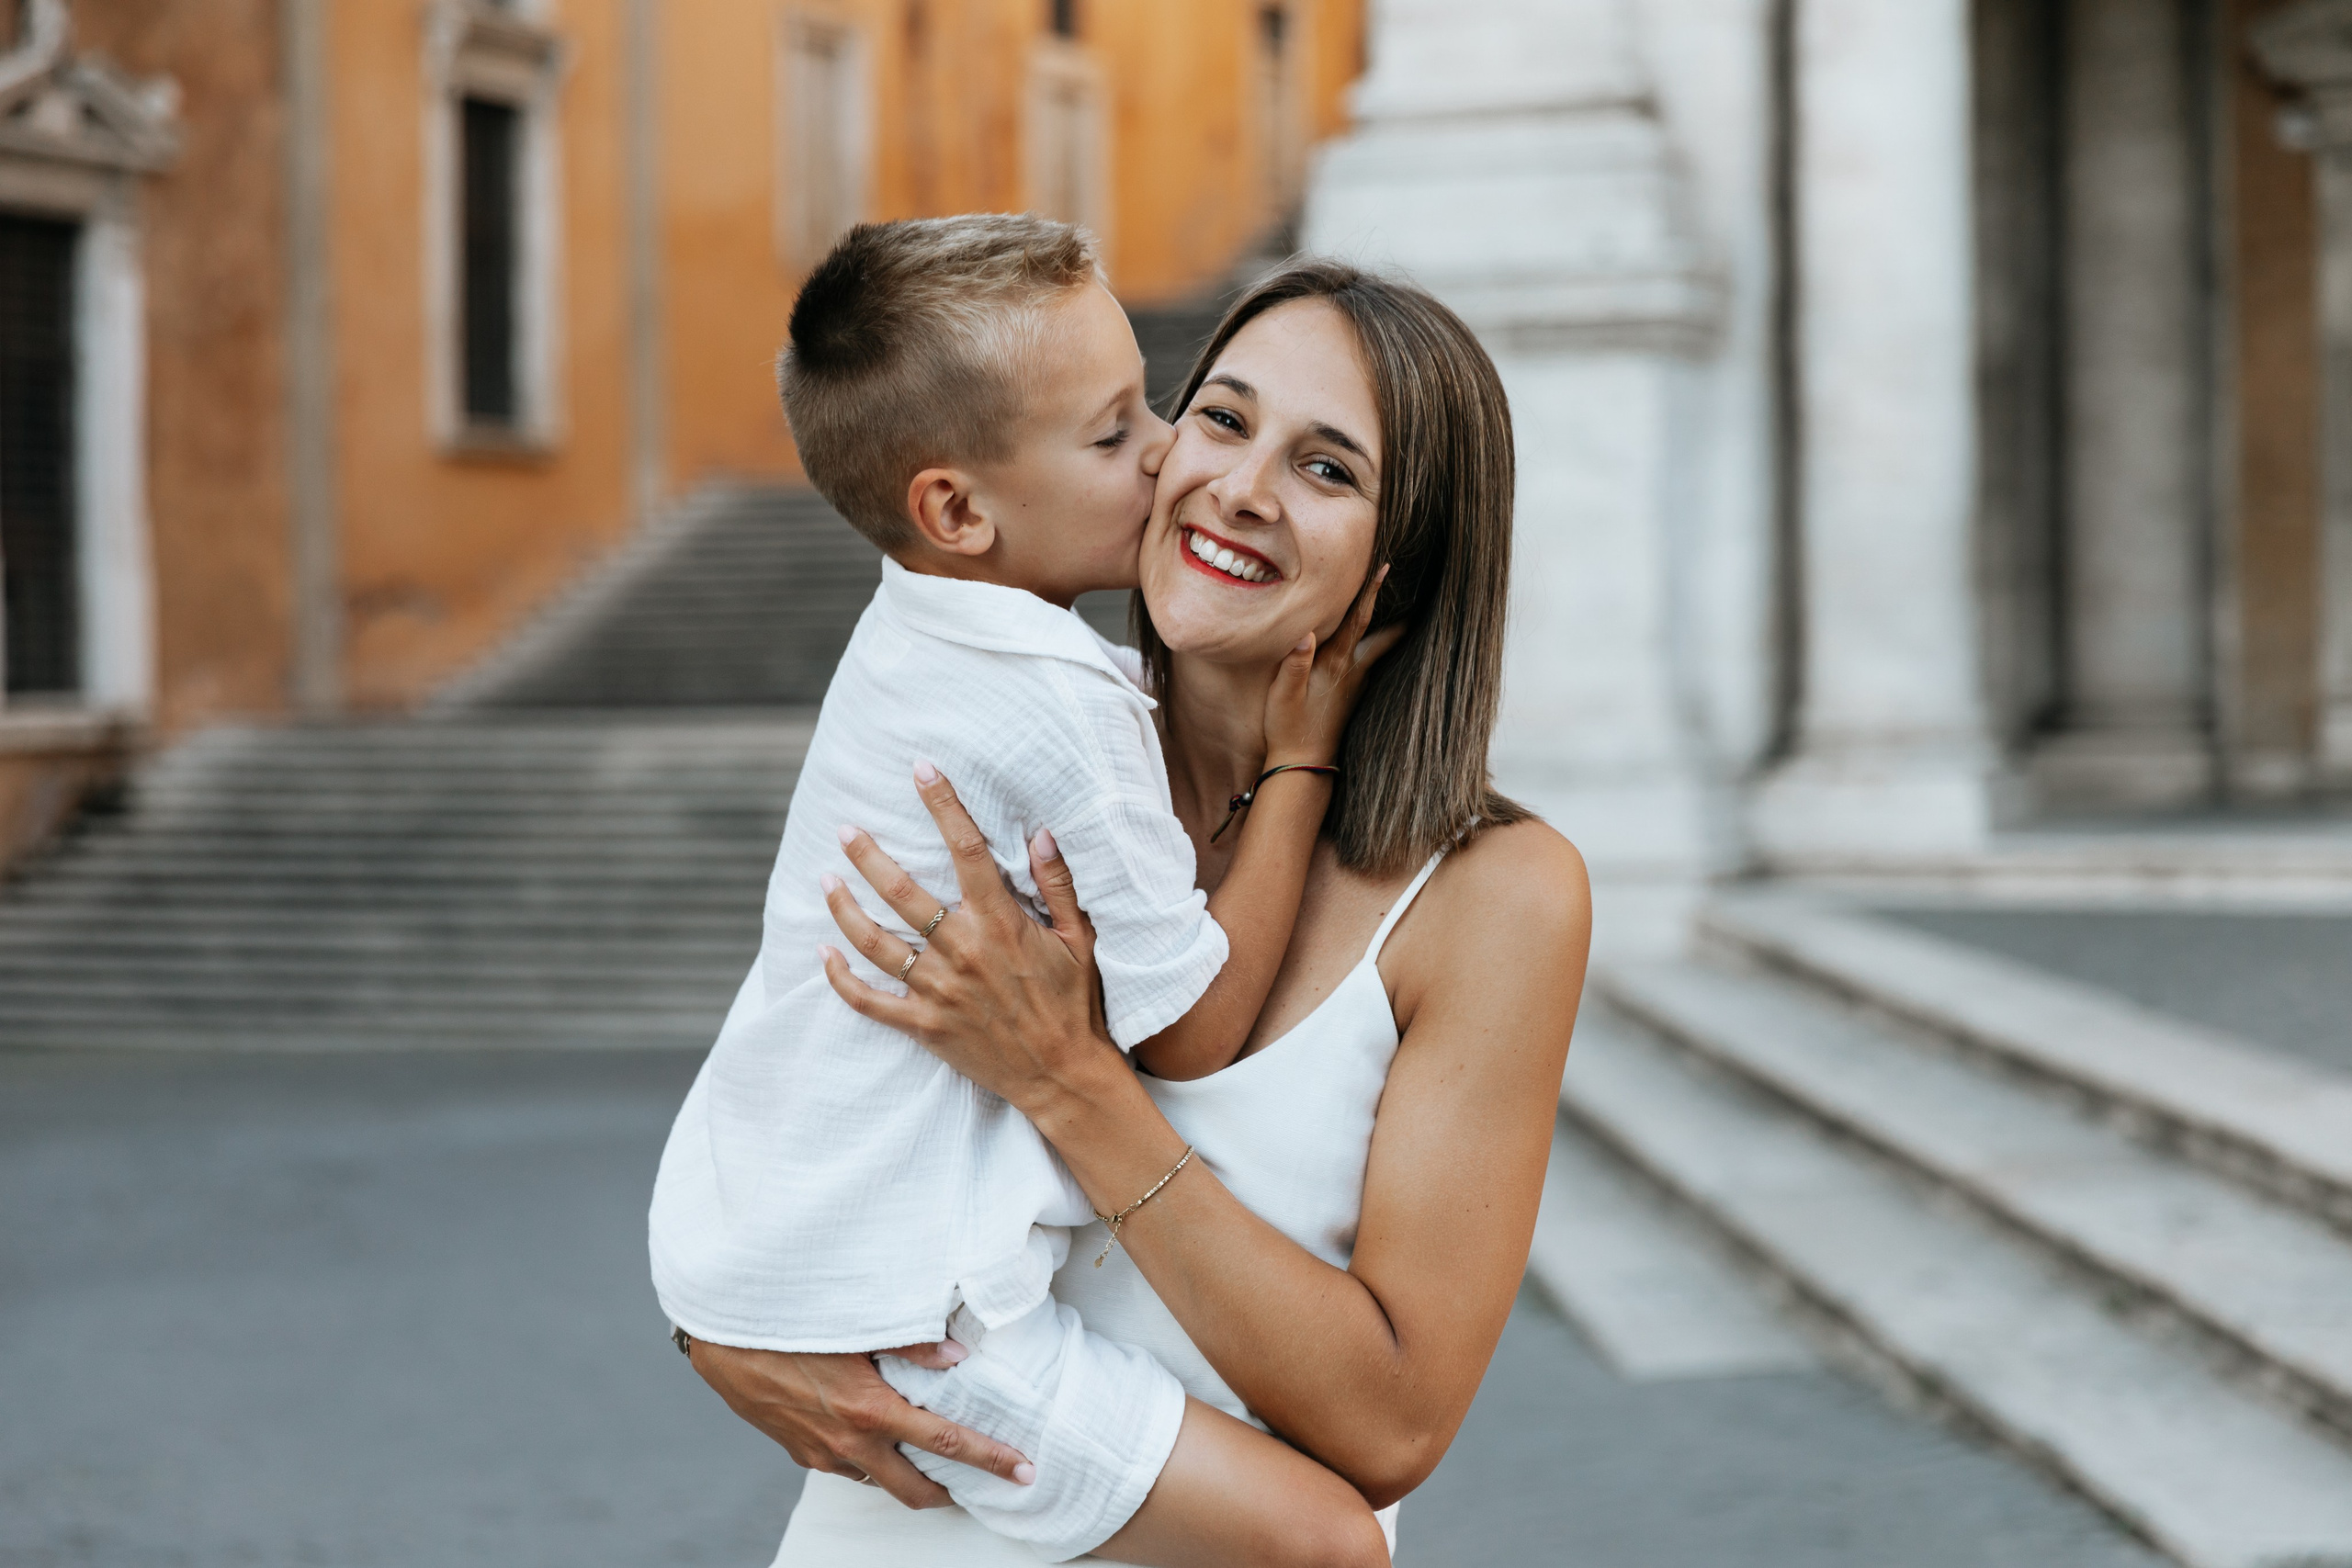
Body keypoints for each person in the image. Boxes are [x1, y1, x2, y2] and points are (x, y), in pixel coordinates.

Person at [690, 261, 1594, 1564]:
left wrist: (1070, 1085)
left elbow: (1391, 1426)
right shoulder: (1012, 751)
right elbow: (795, 1079)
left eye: (1328, 469)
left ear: (1407, 572)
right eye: (1220, 419)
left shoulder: (1494, 895)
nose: (1236, 485)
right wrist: (723, 1332)